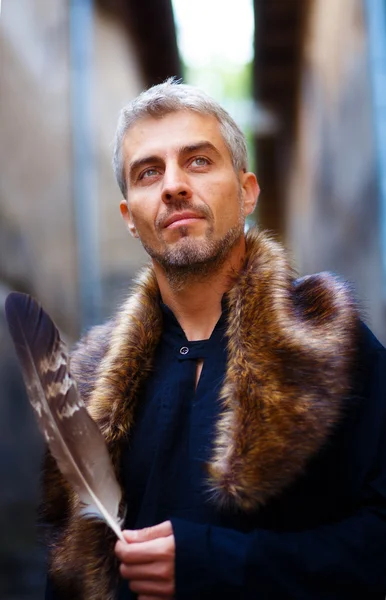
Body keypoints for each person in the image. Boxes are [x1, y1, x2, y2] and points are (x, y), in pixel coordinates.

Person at [43, 79, 386, 600]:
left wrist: (222, 564)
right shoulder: (89, 383)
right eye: (149, 172)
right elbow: (67, 570)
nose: (173, 186)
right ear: (129, 217)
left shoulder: (326, 337)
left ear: (247, 191)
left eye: (199, 161)